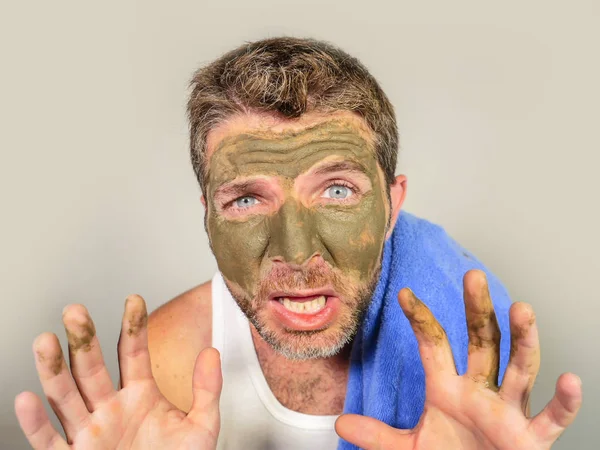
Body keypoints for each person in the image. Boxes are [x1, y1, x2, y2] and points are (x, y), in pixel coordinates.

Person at [15, 37, 582, 450]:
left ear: (393, 206)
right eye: (246, 200)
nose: (295, 251)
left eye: (336, 191)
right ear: (206, 218)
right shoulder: (164, 369)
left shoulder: (476, 365)